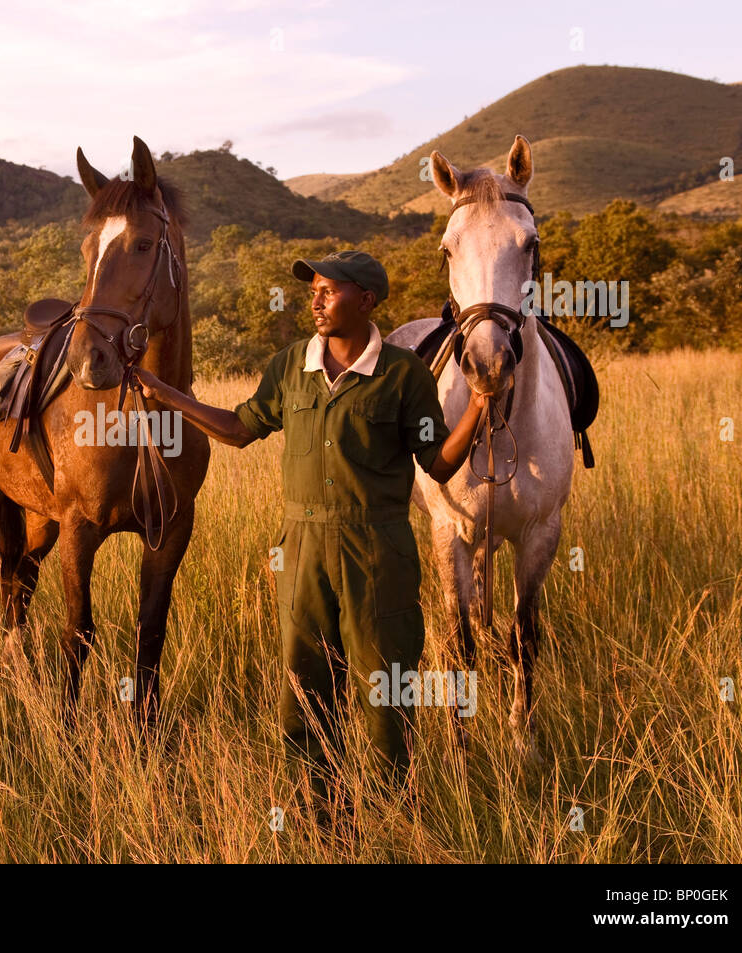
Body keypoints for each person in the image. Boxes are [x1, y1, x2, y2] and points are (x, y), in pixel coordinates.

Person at [134, 250, 488, 811]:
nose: (316, 300)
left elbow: (438, 463)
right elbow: (239, 428)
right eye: (313, 289)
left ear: (367, 300)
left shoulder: (404, 374)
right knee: (303, 686)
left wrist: (481, 406)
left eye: (331, 289)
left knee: (386, 684)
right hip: (299, 549)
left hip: (377, 549)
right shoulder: (289, 365)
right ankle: (317, 814)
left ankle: (392, 813)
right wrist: (166, 392)